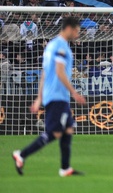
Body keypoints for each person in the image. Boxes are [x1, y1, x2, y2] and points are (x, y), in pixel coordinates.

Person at [13, 17, 86, 177]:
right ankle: (21, 155)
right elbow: (59, 71)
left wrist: (39, 98)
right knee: (55, 133)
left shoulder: (51, 46)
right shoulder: (60, 46)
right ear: (70, 28)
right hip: (57, 95)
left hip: (55, 96)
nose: (78, 34)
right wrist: (74, 92)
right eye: (77, 31)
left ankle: (65, 168)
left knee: (68, 129)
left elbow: (45, 73)